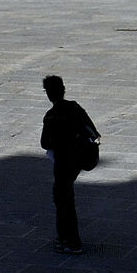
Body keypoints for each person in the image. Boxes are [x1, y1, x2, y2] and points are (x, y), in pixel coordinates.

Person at [39, 73, 100, 254]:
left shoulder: (51, 116)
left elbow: (44, 143)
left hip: (63, 162)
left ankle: (71, 240)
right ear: (63, 90)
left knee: (62, 199)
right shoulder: (75, 107)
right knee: (65, 197)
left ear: (49, 94)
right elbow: (92, 130)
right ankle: (65, 237)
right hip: (79, 159)